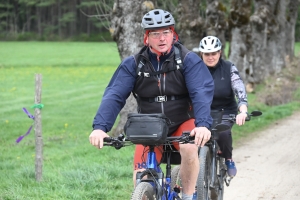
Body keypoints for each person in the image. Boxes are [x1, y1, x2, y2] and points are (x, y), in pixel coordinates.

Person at [89, 9, 214, 200]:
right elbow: (114, 94)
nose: (162, 38)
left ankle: (188, 196)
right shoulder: (134, 64)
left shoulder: (188, 60)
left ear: (173, 34)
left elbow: (201, 92)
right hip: (150, 125)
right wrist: (100, 127)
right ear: (146, 38)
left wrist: (203, 124)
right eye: (156, 34)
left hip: (183, 121)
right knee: (140, 175)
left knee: (189, 148)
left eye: (166, 32)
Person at [198, 36, 249, 177]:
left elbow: (239, 89)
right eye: (207, 54)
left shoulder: (228, 68)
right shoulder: (195, 70)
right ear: (201, 54)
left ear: (220, 52)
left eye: (214, 53)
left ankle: (228, 158)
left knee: (223, 133)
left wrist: (243, 110)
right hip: (202, 111)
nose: (210, 57)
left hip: (225, 110)